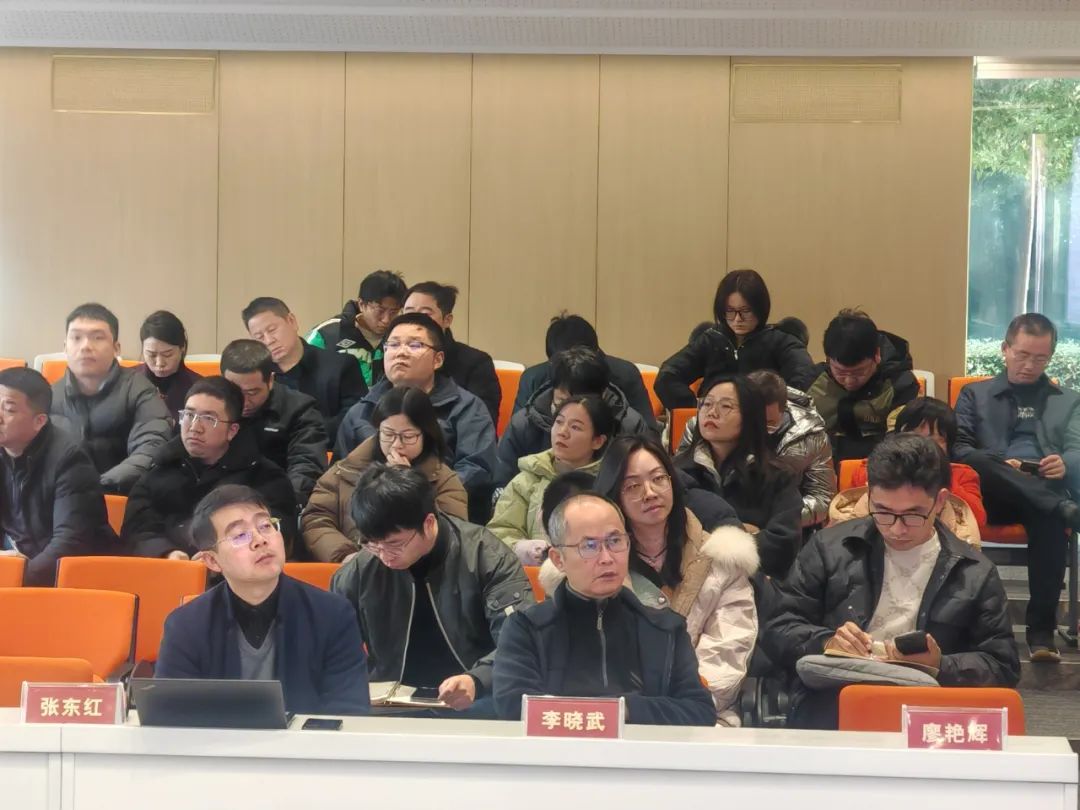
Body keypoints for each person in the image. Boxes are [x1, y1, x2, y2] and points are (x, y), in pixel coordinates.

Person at [763, 434, 1020, 730]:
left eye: (912, 515)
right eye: (883, 512)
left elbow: (1002, 665)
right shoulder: (830, 548)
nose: (897, 530)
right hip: (836, 695)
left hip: (927, 708)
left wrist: (940, 664)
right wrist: (827, 642)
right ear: (869, 495)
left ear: (940, 501)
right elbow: (778, 627)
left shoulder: (973, 571)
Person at [492, 493, 716, 726]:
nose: (607, 558)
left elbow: (699, 711)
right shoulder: (527, 627)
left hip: (641, 749)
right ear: (558, 559)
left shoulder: (665, 628)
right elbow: (513, 705)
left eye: (615, 541)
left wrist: (622, 710)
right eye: (589, 546)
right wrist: (602, 713)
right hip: (559, 750)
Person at [331, 465, 533, 715]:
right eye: (372, 544)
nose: (384, 556)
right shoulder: (359, 571)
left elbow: (520, 641)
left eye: (394, 544)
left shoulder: (486, 557)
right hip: (391, 702)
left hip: (476, 697)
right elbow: (333, 647)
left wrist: (479, 679)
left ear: (428, 523)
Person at [156, 485, 370, 715]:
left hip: (308, 739)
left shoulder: (332, 614)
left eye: (266, 526)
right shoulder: (186, 625)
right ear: (212, 561)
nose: (260, 540)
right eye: (240, 535)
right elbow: (171, 715)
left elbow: (349, 711)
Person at [589, 436, 759, 726]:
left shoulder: (722, 559)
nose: (650, 493)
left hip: (701, 714)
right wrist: (629, 709)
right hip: (617, 716)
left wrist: (672, 708)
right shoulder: (594, 565)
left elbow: (727, 653)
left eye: (658, 479)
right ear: (613, 496)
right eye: (633, 486)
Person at [954, 313, 1080, 660]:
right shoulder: (974, 394)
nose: (1029, 365)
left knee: (1049, 519)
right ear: (1005, 349)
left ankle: (1041, 634)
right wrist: (998, 463)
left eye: (1040, 358)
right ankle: (1061, 508)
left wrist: (1065, 463)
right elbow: (959, 448)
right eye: (1022, 355)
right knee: (981, 462)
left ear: (1050, 357)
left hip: (1042, 486)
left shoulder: (1068, 399)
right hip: (990, 492)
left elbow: (1077, 447)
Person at [335, 313, 496, 519]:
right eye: (393, 345)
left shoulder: (467, 408)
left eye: (414, 345)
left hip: (441, 515)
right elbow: (340, 474)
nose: (401, 352)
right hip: (366, 518)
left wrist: (413, 489)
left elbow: (476, 472)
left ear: (438, 360)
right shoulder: (362, 410)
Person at [124, 377, 298, 560]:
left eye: (208, 419)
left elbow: (276, 535)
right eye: (189, 415)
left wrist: (218, 557)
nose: (194, 427)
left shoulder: (265, 477)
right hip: (169, 569)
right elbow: (137, 529)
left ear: (232, 430)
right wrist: (167, 553)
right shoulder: (159, 468)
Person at [302, 385, 468, 563]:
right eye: (388, 434)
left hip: (415, 569)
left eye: (408, 436)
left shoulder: (444, 480)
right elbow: (316, 519)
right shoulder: (345, 470)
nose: (396, 444)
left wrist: (408, 485)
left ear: (426, 435)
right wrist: (346, 555)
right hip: (349, 566)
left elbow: (451, 533)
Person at [675, 374, 803, 579]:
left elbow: (783, 544)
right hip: (687, 580)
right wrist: (746, 534)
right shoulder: (677, 471)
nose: (712, 412)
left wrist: (713, 543)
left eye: (725, 406)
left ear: (750, 416)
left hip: (754, 583)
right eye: (707, 404)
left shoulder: (777, 476)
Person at [0, 368, 115, 585]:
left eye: (9, 410)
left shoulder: (70, 459)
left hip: (68, 580)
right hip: (16, 564)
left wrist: (15, 579)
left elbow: (70, 543)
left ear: (39, 421)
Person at [679, 369, 835, 529]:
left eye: (767, 422)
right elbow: (683, 481)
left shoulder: (809, 436)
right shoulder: (703, 427)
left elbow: (822, 497)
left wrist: (779, 516)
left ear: (784, 410)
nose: (758, 427)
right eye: (708, 404)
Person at [50, 303, 172, 495]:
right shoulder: (49, 396)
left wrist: (98, 487)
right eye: (76, 338)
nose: (85, 346)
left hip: (122, 496)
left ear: (116, 348)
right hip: (63, 497)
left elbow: (152, 446)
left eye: (97, 338)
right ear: (65, 347)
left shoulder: (139, 389)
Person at [655, 270, 817, 410]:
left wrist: (770, 410)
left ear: (760, 308)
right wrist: (696, 409)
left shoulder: (780, 341)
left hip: (761, 425)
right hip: (714, 422)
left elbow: (805, 379)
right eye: (730, 311)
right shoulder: (712, 339)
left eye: (745, 311)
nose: (737, 319)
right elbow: (668, 376)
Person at [497, 346, 654, 489]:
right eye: (562, 402)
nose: (563, 431)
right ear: (553, 390)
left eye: (581, 404)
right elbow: (502, 482)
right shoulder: (524, 424)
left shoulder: (629, 425)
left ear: (603, 395)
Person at [488, 395, 614, 561]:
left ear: (597, 441)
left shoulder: (610, 483)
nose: (562, 432)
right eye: (559, 422)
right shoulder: (526, 481)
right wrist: (525, 550)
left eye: (575, 427)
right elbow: (498, 534)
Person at [849, 397, 987, 529]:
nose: (922, 445)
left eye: (934, 440)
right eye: (914, 436)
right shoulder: (868, 469)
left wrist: (942, 474)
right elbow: (851, 517)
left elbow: (978, 520)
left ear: (948, 445)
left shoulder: (963, 474)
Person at [220, 339, 328, 506]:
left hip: (277, 498)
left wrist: (282, 504)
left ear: (270, 380)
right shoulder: (210, 404)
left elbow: (306, 466)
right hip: (219, 496)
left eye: (252, 393)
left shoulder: (300, 410)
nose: (243, 401)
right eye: (234, 391)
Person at [243, 297, 367, 439]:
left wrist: (302, 435)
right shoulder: (257, 379)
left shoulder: (340, 365)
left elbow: (355, 418)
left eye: (272, 330)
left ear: (292, 321)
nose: (269, 341)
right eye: (259, 337)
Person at [807, 309, 920, 464]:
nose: (849, 381)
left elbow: (900, 443)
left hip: (881, 466)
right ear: (828, 359)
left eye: (859, 372)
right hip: (822, 465)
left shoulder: (901, 385)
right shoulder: (810, 382)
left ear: (877, 355)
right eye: (840, 372)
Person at [513, 313, 656, 431]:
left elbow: (648, 435)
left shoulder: (624, 374)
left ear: (597, 353)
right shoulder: (532, 379)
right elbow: (518, 433)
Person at [403, 281, 501, 426]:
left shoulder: (476, 363)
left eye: (425, 314)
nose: (415, 320)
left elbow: (481, 422)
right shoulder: (396, 356)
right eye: (409, 312)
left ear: (447, 320)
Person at [308, 269, 407, 387]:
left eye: (393, 312)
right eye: (380, 310)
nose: (386, 320)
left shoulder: (403, 338)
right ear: (361, 304)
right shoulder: (327, 334)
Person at [137, 310, 203, 417]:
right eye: (151, 355)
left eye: (167, 355)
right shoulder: (127, 381)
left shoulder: (200, 388)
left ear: (182, 348)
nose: (159, 363)